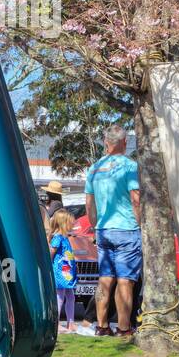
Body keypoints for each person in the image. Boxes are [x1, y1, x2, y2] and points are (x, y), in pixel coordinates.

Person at [85, 125, 142, 338]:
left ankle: (101, 325)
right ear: (125, 142)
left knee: (105, 279)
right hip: (127, 228)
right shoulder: (129, 166)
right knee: (125, 280)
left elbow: (89, 203)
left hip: (103, 229)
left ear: (105, 142)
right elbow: (135, 199)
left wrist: (95, 226)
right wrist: (140, 224)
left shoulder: (95, 168)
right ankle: (124, 327)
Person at [48, 209, 78, 332]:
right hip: (59, 273)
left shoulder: (65, 238)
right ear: (63, 223)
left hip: (67, 273)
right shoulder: (58, 238)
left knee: (71, 296)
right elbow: (51, 252)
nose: (73, 225)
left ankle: (70, 322)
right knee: (59, 297)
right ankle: (56, 323)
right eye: (71, 223)